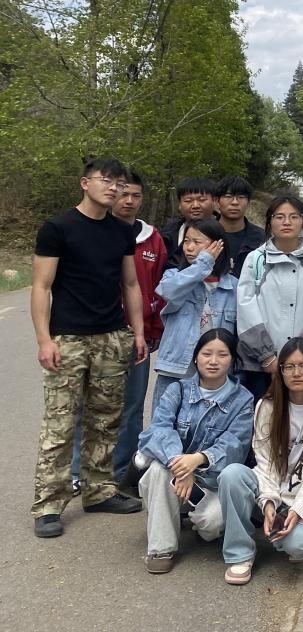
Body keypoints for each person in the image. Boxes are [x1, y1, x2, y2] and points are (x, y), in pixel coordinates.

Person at [31, 157, 147, 538]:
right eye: (106, 180)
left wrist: (138, 333)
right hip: (68, 338)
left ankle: (99, 491)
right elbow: (41, 287)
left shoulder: (121, 231)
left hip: (111, 336)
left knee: (106, 419)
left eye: (119, 183)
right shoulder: (57, 228)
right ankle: (49, 504)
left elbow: (130, 284)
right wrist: (44, 339)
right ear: (85, 183)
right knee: (60, 423)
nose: (114, 188)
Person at [219, 337, 303, 584]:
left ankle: (292, 534)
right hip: (271, 485)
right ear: (281, 370)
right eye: (289, 366)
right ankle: (240, 554)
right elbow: (264, 461)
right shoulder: (267, 405)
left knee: (297, 546)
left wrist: (298, 510)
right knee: (232, 474)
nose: (296, 373)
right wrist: (268, 502)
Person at [134, 328, 254, 573]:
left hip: (211, 483)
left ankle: (191, 518)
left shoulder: (243, 399)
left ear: (232, 360)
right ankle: (161, 548)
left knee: (212, 526)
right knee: (157, 469)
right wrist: (180, 464)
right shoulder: (177, 390)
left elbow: (235, 445)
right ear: (196, 357)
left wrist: (197, 460)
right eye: (206, 353)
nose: (213, 361)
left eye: (222, 354)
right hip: (173, 474)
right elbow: (159, 430)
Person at [236, 195, 303, 400]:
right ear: (269, 222)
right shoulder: (256, 258)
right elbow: (245, 306)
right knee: (263, 414)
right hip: (260, 365)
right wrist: (266, 356)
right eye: (279, 217)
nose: (286, 222)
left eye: (293, 217)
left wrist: (302, 357)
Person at [109, 170, 168, 484]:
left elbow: (159, 288)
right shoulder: (95, 231)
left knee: (132, 406)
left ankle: (122, 471)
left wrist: (153, 330)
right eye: (123, 194)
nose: (129, 201)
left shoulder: (152, 238)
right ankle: (78, 471)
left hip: (138, 335)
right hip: (99, 332)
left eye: (135, 195)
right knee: (88, 404)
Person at [152, 219, 236, 408]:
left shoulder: (233, 286)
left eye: (197, 242)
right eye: (186, 241)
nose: (189, 248)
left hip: (216, 370)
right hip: (176, 368)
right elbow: (167, 291)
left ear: (218, 245)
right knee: (165, 419)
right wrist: (203, 264)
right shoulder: (173, 275)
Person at [214, 176, 265, 279]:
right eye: (228, 196)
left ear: (248, 202)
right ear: (216, 201)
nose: (235, 202)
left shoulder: (262, 238)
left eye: (241, 197)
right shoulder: (203, 234)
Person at [160, 176, 215, 264]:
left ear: (214, 201)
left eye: (202, 200)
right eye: (188, 201)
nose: (195, 205)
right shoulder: (166, 235)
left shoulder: (225, 231)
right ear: (180, 205)